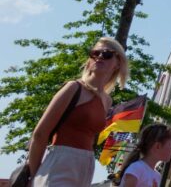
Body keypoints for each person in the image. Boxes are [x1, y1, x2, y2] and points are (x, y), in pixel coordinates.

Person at [28, 37, 128, 187]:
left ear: (117, 63)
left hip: (86, 163)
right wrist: (34, 175)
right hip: (61, 160)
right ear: (89, 60)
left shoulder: (107, 101)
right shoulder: (73, 88)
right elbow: (40, 134)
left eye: (107, 54)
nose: (100, 57)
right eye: (95, 53)